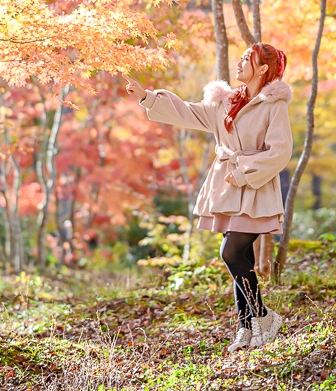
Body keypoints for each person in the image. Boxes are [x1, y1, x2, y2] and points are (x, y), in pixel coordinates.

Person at [122, 43, 292, 353]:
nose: (239, 63)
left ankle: (264, 317)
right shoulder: (225, 102)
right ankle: (246, 327)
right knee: (242, 259)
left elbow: (280, 152)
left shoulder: (273, 104)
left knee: (231, 253)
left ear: (263, 68)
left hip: (254, 187)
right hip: (227, 188)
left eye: (247, 59)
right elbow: (188, 112)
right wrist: (147, 97)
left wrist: (244, 173)